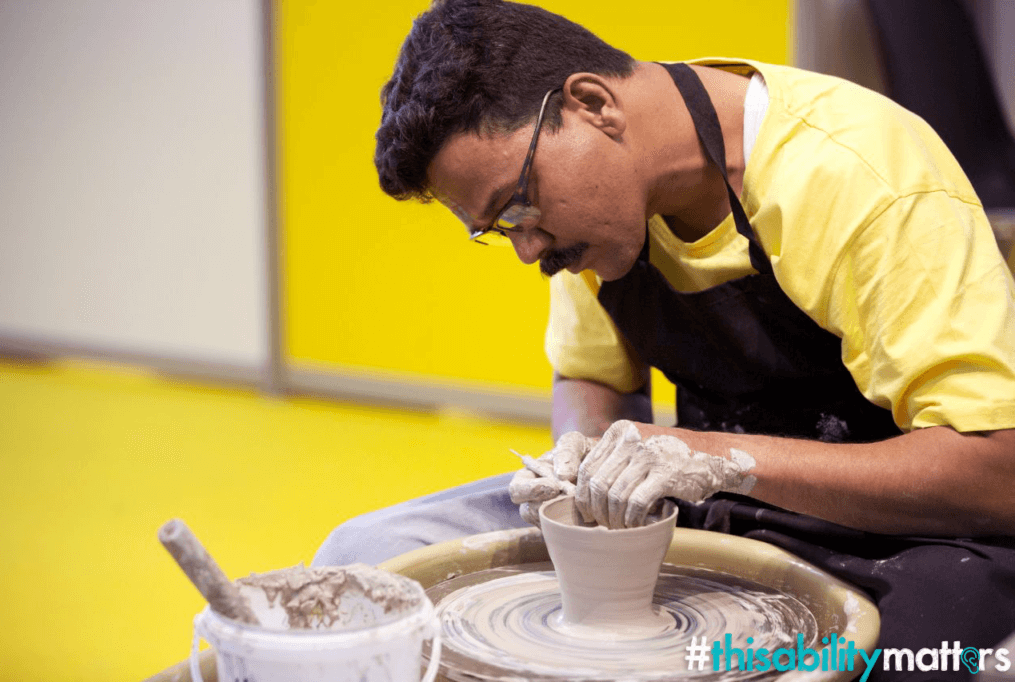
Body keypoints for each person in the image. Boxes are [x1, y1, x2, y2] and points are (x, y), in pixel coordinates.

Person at [314, 0, 1015, 676]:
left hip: (904, 533)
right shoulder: (592, 215)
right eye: (499, 230)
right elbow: (592, 379)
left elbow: (996, 473)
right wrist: (583, 465)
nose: (527, 251)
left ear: (592, 105)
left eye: (518, 207)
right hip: (707, 505)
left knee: (894, 658)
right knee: (364, 556)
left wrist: (721, 459)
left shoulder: (857, 176)